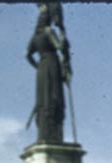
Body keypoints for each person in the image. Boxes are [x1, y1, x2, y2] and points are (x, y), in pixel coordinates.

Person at [26, 1, 71, 144]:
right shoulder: (49, 32)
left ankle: (44, 133)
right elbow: (59, 47)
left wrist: (38, 66)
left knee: (43, 99)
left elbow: (28, 56)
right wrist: (63, 41)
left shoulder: (35, 37)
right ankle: (55, 133)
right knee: (54, 96)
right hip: (52, 65)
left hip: (42, 70)